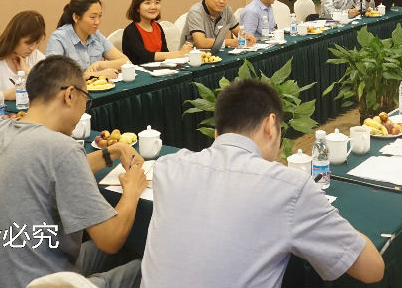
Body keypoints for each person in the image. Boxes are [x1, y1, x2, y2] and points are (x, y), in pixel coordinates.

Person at [140, 79, 384, 288]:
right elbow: (372, 270)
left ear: (217, 133)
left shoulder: (167, 167)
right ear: (270, 124)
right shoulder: (289, 187)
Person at [0, 55, 146, 288]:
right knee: (145, 264)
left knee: (127, 246)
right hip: (35, 283)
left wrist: (110, 152)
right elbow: (111, 239)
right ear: (69, 95)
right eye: (86, 99)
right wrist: (132, 188)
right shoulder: (62, 148)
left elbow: (53, 170)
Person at [46, 0, 128, 79]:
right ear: (76, 18)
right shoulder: (59, 38)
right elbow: (53, 74)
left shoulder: (96, 36)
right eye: (92, 17)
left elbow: (126, 62)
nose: (97, 22)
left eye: (100, 16)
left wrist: (100, 64)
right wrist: (97, 74)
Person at [121, 0, 192, 64]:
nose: (153, 7)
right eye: (147, 3)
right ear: (137, 8)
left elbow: (165, 52)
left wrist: (181, 53)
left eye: (157, 3)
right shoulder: (130, 31)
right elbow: (145, 56)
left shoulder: (157, 27)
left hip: (161, 69)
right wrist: (179, 53)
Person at [0, 10, 46, 99]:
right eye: (28, 43)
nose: (33, 48)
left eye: (37, 43)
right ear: (14, 38)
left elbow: (55, 85)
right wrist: (6, 94)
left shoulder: (35, 56)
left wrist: (30, 72)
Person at [181, 0, 255, 48]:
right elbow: (201, 43)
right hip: (192, 55)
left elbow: (238, 31)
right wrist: (230, 42)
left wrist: (247, 36)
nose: (222, 1)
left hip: (215, 53)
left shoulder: (226, 9)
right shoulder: (196, 12)